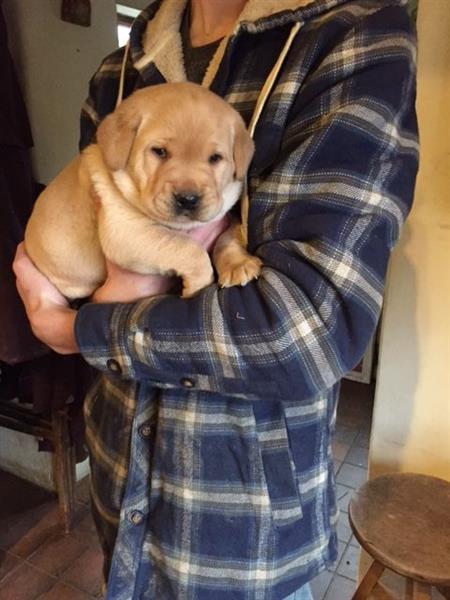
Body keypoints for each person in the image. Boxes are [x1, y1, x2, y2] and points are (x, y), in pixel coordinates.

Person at [13, 0, 419, 598]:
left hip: (242, 525)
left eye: (211, 161)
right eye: (161, 153)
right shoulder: (119, 71)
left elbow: (303, 336)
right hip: (121, 489)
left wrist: (78, 330)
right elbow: (102, 237)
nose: (188, 184)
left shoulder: (354, 40)